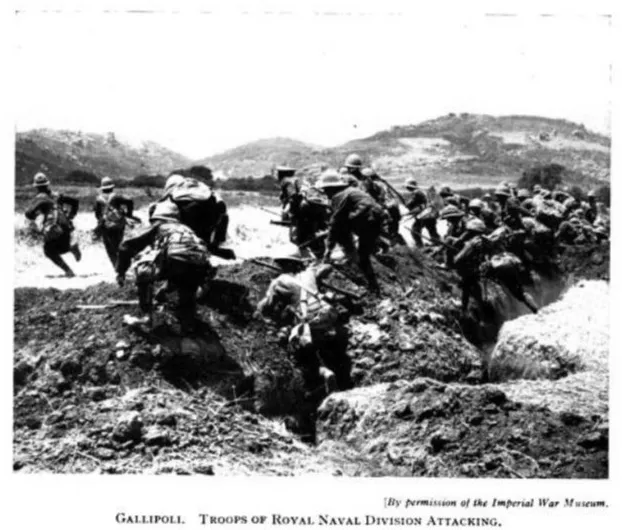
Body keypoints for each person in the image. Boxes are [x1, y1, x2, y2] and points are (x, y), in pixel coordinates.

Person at [256, 258, 352, 394]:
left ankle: (323, 372)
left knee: (298, 350)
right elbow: (326, 267)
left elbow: (267, 307)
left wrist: (260, 306)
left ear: (283, 264)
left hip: (311, 320)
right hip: (329, 314)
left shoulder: (278, 282)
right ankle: (338, 362)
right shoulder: (309, 272)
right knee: (321, 337)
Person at [116, 200, 212, 332]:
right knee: (186, 284)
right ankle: (187, 321)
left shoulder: (160, 225)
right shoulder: (186, 229)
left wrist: (121, 271)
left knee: (143, 270)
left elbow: (126, 246)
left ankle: (146, 317)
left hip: (177, 260)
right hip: (201, 266)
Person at [316, 170, 384, 294]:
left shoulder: (338, 196)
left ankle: (373, 287)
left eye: (325, 190)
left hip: (368, 219)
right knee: (360, 251)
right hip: (376, 218)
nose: (325, 193)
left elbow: (335, 222)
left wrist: (328, 249)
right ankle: (357, 263)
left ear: (331, 188)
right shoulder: (350, 191)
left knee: (362, 256)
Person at [25, 172, 81, 277]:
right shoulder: (57, 195)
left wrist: (37, 216)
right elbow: (75, 202)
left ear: (36, 187)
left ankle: (68, 271)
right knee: (61, 246)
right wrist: (71, 215)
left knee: (48, 251)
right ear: (47, 184)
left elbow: (28, 213)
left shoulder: (40, 198)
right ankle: (71, 248)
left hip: (54, 228)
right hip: (66, 227)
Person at [94, 176, 136, 268]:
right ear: (112, 187)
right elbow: (130, 201)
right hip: (118, 225)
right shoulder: (117, 196)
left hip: (106, 226)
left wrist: (102, 221)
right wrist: (129, 215)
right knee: (118, 245)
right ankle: (123, 266)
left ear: (102, 188)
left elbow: (97, 214)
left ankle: (116, 268)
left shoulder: (98, 199)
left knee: (109, 249)